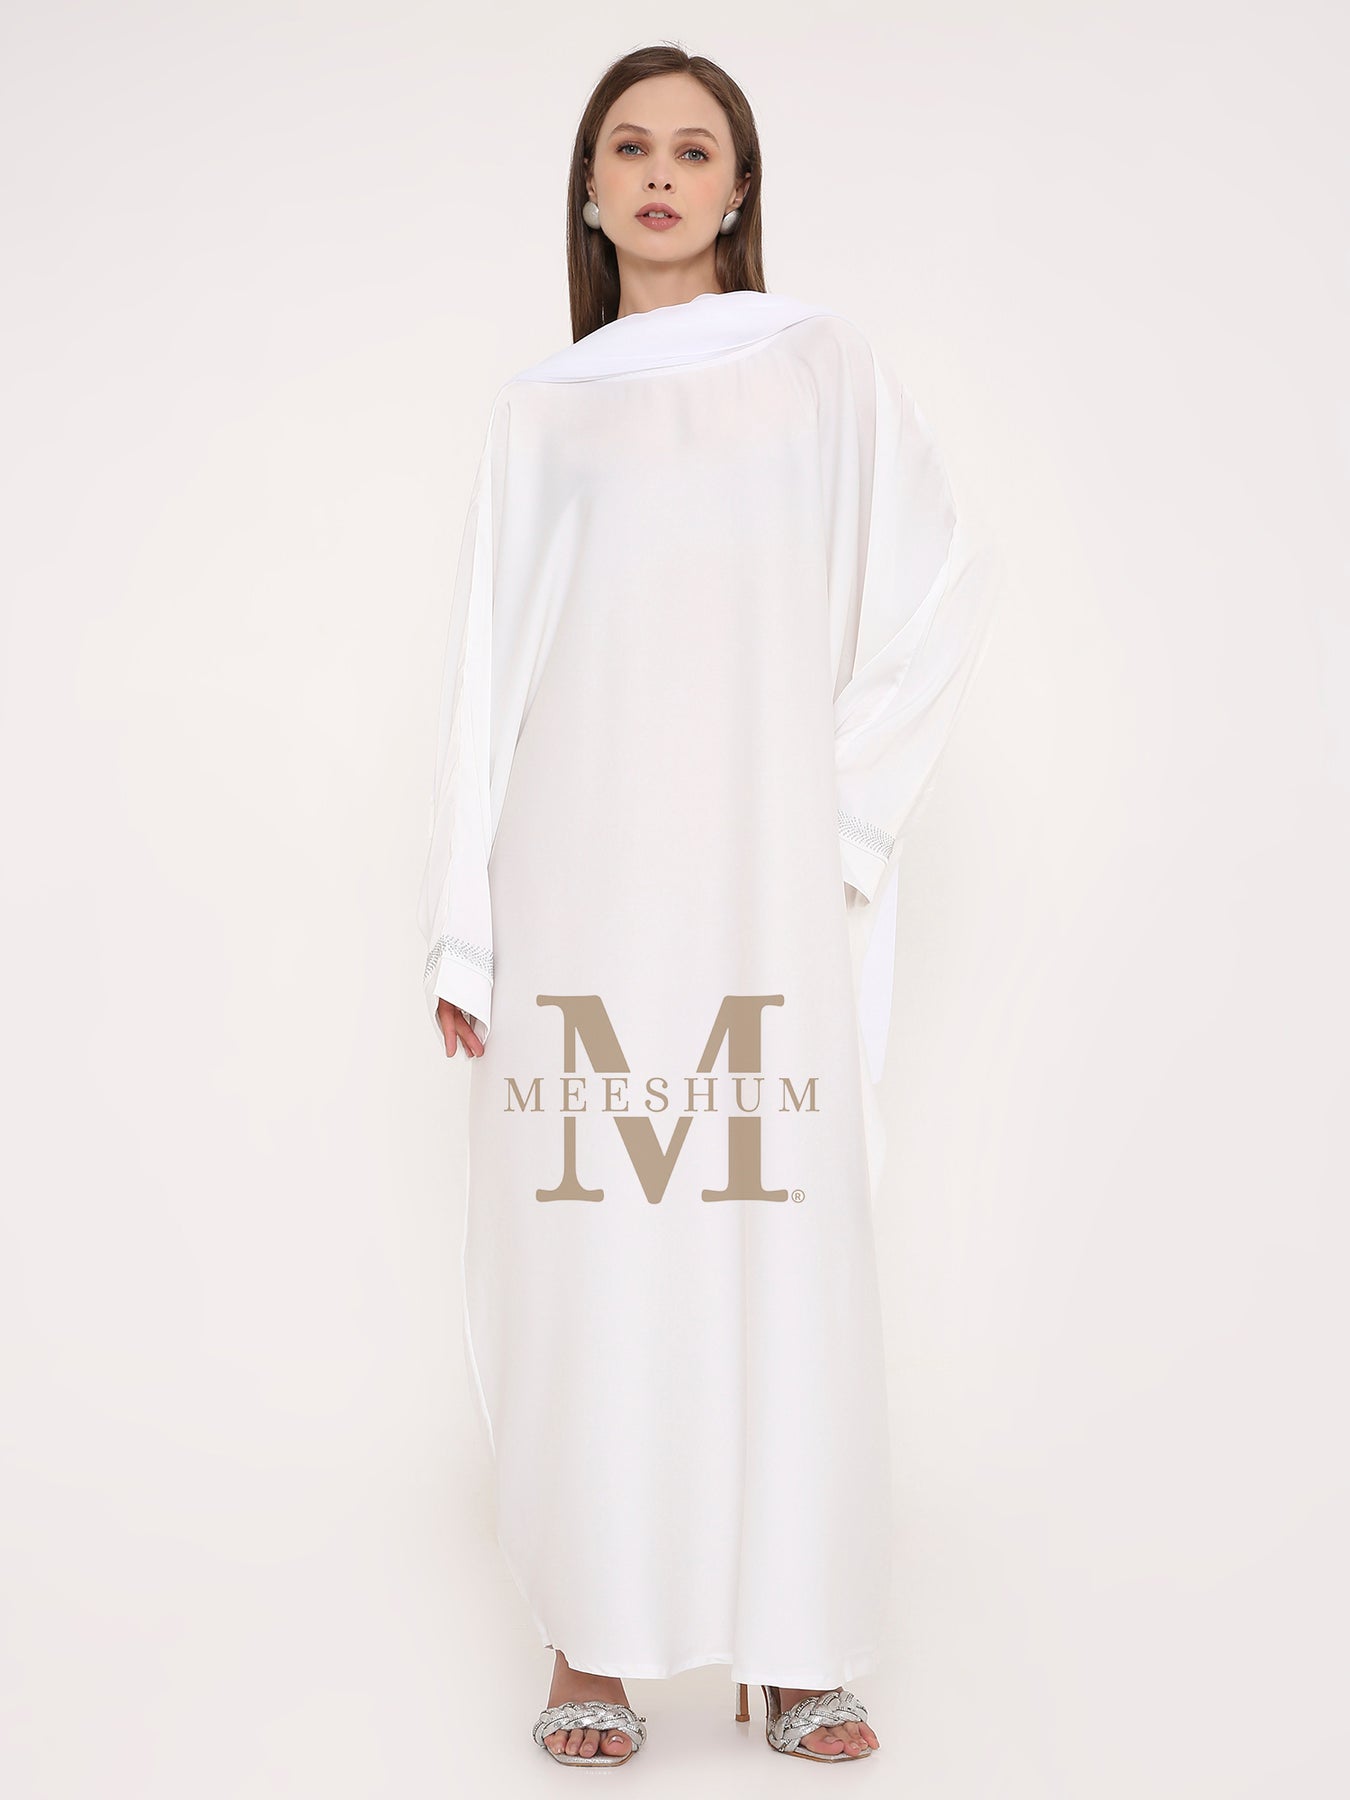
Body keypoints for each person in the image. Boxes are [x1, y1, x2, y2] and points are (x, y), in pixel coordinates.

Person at [416, 44, 997, 1768]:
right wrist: (466, 924)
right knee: (594, 1235)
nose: (660, 174)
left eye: (693, 149)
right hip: (582, 881)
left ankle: (795, 1639)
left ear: (739, 189)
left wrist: (837, 827)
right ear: (590, 192)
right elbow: (486, 670)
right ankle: (591, 1642)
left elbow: (934, 588)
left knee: (773, 1223)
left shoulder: (818, 366)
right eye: (629, 148)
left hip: (759, 882)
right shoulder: (544, 409)